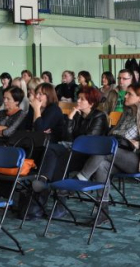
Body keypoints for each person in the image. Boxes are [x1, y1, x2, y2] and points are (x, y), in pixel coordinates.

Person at [76, 82, 140, 224]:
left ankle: (81, 178)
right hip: (119, 154)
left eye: (129, 94)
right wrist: (124, 140)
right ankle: (103, 211)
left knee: (107, 149)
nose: (125, 96)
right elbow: (115, 134)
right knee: (102, 165)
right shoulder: (127, 113)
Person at [28, 86, 108, 218]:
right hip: (72, 150)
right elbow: (66, 138)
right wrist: (70, 119)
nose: (78, 101)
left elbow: (88, 141)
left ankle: (55, 201)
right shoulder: (76, 115)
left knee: (60, 157)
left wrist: (71, 127)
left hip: (87, 156)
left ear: (91, 103)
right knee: (51, 148)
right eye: (78, 98)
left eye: (82, 99)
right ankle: (43, 181)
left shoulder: (99, 116)